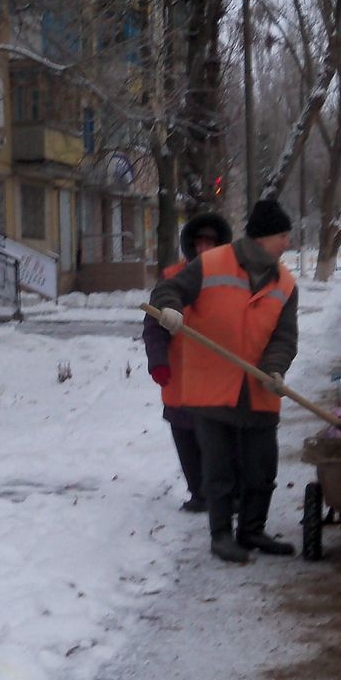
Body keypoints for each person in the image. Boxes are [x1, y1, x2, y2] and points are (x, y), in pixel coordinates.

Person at [147, 198, 298, 564]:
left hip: (260, 386)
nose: (287, 243)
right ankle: (220, 536)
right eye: (282, 236)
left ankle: (252, 529)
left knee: (262, 469)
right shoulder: (212, 263)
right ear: (263, 237)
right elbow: (168, 290)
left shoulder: (286, 282)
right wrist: (170, 309)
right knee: (220, 469)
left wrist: (275, 368)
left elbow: (284, 336)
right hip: (213, 386)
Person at [143, 212, 233, 513]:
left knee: (219, 440)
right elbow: (154, 325)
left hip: (219, 375)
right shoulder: (171, 277)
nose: (204, 248)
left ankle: (223, 494)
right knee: (184, 434)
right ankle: (199, 493)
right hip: (180, 374)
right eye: (199, 242)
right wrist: (158, 360)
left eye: (211, 242)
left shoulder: (232, 279)